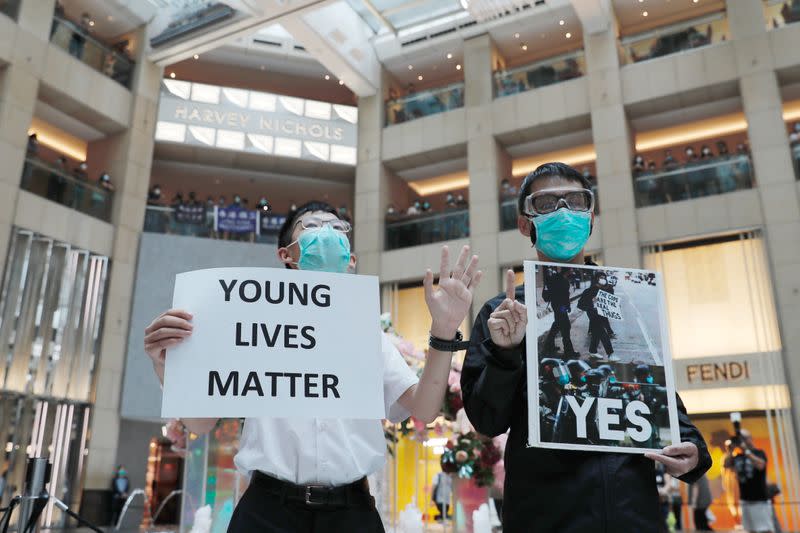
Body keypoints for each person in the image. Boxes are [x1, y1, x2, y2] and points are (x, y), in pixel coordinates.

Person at [144, 201, 484, 533]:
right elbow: (200, 423)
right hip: (267, 510)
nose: (327, 233)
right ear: (286, 254)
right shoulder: (250, 328)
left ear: (350, 260)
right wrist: (166, 367)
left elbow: (424, 407)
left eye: (338, 229)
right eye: (312, 226)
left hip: (352, 512)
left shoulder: (370, 336)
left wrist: (443, 330)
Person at [460, 162, 712, 532]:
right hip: (546, 515)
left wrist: (692, 449)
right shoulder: (505, 312)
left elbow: (656, 394)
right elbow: (487, 419)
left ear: (591, 217)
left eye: (575, 201)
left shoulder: (627, 299)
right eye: (547, 203)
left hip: (632, 511)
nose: (564, 212)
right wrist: (505, 353)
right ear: (525, 223)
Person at [724, 428, 773, 533]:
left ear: (750, 439)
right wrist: (730, 450)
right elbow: (726, 465)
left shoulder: (759, 452)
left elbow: (760, 465)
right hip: (745, 500)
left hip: (760, 500)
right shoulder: (737, 456)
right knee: (750, 530)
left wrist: (746, 451)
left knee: (765, 530)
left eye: (744, 438)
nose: (742, 441)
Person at [577, 272, 618, 361]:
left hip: (602, 314)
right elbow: (580, 305)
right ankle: (610, 354)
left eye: (604, 277)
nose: (603, 279)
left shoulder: (607, 289)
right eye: (601, 277)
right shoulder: (589, 291)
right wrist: (591, 302)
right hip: (593, 314)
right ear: (596, 279)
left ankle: (592, 351)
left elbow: (611, 301)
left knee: (596, 333)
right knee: (603, 333)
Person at [541, 267, 579, 359]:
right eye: (571, 269)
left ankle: (548, 346)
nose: (572, 271)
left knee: (557, 324)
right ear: (567, 270)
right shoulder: (563, 281)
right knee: (566, 326)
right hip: (560, 306)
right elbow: (564, 295)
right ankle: (569, 351)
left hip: (557, 305)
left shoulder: (556, 277)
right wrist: (567, 306)